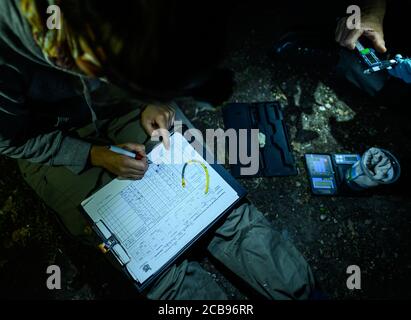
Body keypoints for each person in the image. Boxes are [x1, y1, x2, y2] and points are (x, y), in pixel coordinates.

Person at [0, 0, 315, 299]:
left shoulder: (142, 28)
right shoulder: (7, 54)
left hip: (124, 102)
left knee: (217, 204)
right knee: (148, 260)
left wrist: (154, 99)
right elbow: (11, 140)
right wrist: (93, 154)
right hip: (53, 137)